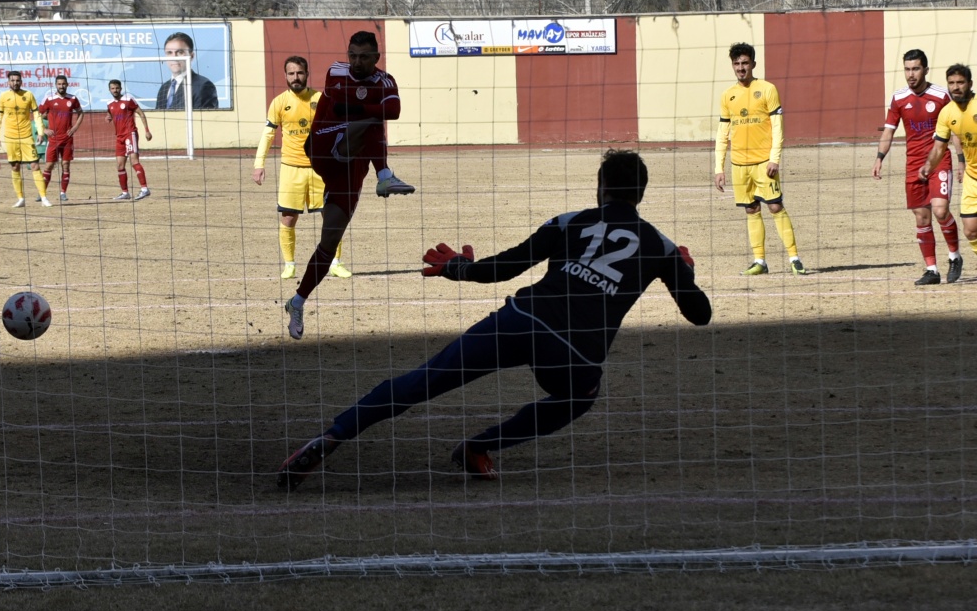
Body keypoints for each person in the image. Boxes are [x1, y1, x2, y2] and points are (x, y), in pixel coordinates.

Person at [277, 149, 712, 488]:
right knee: (581, 396)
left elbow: (505, 267)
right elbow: (700, 315)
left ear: (600, 188)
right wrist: (682, 274)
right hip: (574, 353)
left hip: (521, 319)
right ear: (641, 194)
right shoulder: (661, 245)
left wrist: (457, 269)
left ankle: (331, 437)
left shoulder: (570, 221)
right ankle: (480, 446)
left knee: (426, 378)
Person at [283, 30, 415, 341]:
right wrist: (373, 106)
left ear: (376, 58)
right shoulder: (337, 70)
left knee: (329, 243)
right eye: (352, 54)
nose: (356, 61)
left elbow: (394, 111)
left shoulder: (386, 81)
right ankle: (385, 176)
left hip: (351, 167)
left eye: (364, 56)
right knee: (370, 122)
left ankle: (297, 301)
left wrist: (366, 106)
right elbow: (342, 110)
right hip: (324, 144)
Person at [714, 42, 807, 276]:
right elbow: (722, 134)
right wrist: (719, 167)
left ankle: (794, 258)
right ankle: (760, 262)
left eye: (745, 63)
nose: (741, 68)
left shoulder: (767, 89)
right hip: (739, 165)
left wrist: (774, 159)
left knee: (775, 206)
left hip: (764, 163)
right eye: (736, 64)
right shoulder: (728, 95)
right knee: (751, 210)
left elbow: (778, 128)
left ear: (753, 64)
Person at [253, 55, 345, 280]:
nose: (296, 77)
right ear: (285, 76)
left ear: (307, 73)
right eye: (291, 73)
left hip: (320, 169)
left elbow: (337, 130)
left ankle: (335, 262)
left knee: (332, 217)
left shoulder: (321, 99)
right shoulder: (278, 102)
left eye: (300, 73)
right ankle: (289, 265)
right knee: (288, 218)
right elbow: (268, 134)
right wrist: (259, 163)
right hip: (290, 169)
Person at [876, 50, 965, 285]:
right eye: (907, 69)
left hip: (939, 161)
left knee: (940, 211)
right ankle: (932, 270)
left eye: (915, 68)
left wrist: (960, 160)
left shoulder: (941, 95)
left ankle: (955, 257)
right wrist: (879, 157)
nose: (910, 74)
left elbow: (955, 129)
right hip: (913, 165)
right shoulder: (898, 98)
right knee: (922, 218)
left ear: (925, 70)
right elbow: (889, 130)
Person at [920, 64, 977, 280]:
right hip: (973, 176)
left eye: (960, 82)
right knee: (971, 230)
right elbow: (939, 147)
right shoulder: (947, 112)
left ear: (970, 84)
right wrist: (928, 166)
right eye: (952, 83)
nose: (956, 87)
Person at [0, 69, 50, 208]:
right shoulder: (3, 96)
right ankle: (20, 198)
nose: (15, 83)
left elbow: (37, 115)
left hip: (26, 137)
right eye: (12, 80)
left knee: (35, 165)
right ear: (8, 82)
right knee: (15, 166)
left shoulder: (28, 95)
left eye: (17, 80)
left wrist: (40, 132)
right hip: (10, 137)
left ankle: (43, 197)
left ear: (21, 81)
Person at [38, 74, 85, 203]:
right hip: (53, 139)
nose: (61, 86)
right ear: (55, 85)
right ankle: (42, 193)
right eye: (59, 84)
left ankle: (63, 193)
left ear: (67, 84)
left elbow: (81, 113)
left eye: (63, 84)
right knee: (49, 165)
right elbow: (38, 114)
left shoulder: (73, 99)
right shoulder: (49, 99)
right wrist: (44, 129)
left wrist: (75, 128)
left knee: (66, 165)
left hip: (67, 138)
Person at [105, 79, 151, 201]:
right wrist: (108, 117)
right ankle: (125, 192)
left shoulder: (128, 99)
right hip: (119, 136)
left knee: (134, 161)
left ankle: (145, 189)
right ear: (109, 90)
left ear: (121, 88)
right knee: (120, 165)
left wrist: (147, 130)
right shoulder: (109, 103)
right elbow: (111, 113)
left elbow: (141, 113)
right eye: (112, 88)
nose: (115, 90)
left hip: (130, 134)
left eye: (117, 88)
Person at [155, 31, 219, 110]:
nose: (174, 57)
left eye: (180, 52)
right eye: (169, 53)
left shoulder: (203, 86)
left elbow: (205, 121)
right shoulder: (164, 88)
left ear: (191, 56)